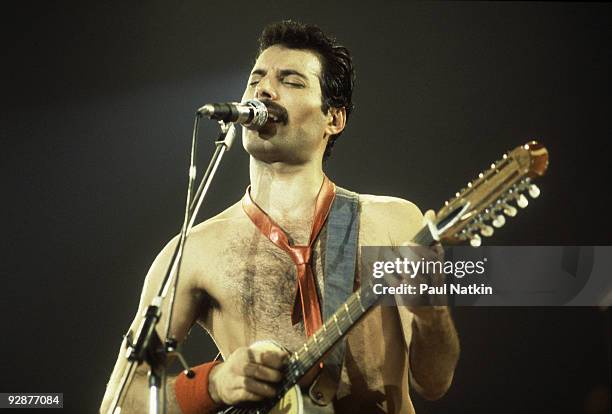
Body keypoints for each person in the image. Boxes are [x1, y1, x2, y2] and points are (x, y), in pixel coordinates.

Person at [100, 20, 459, 414]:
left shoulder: (394, 221)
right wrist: (213, 384)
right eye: (256, 79)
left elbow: (434, 383)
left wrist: (433, 311)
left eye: (291, 81)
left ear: (333, 119)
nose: (264, 90)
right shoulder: (193, 251)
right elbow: (119, 403)